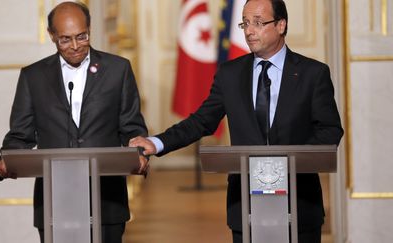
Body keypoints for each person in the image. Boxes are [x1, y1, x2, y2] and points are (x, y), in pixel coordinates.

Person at [129, 0, 343, 242]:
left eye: (259, 23)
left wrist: (290, 162)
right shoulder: (229, 73)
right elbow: (201, 121)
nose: (249, 31)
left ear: (281, 25)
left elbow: (330, 129)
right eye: (245, 23)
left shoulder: (313, 73)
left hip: (299, 202)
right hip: (246, 204)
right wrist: (156, 143)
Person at [0, 2, 148, 243]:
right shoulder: (33, 77)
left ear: (89, 29)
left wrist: (140, 154)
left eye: (82, 36)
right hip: (55, 200)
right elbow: (20, 135)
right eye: (65, 39)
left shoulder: (118, 69)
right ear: (52, 36)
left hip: (106, 199)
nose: (75, 46)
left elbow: (132, 128)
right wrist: (8, 159)